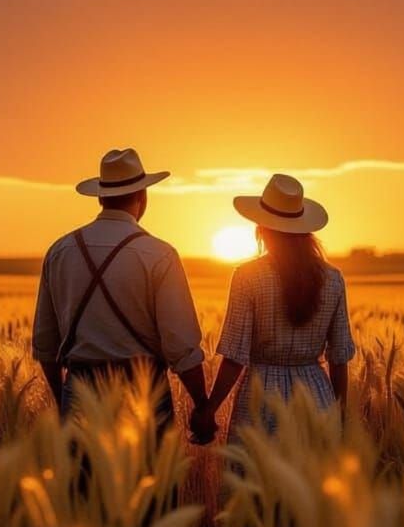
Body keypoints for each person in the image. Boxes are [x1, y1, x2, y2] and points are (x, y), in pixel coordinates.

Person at [32, 148, 216, 444]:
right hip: (144, 391)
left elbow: (45, 344)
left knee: (83, 489)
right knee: (150, 486)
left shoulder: (60, 251)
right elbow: (181, 346)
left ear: (101, 197)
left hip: (81, 390)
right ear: (143, 196)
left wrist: (64, 402)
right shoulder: (159, 254)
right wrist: (202, 405)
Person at [207, 173, 356, 437]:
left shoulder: (247, 276)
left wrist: (208, 410)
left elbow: (234, 357)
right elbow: (339, 358)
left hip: (261, 397)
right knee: (312, 476)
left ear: (261, 229)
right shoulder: (333, 278)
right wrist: (340, 416)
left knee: (256, 475)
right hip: (316, 398)